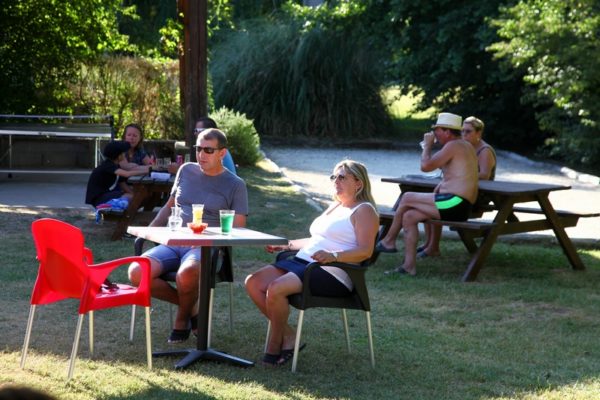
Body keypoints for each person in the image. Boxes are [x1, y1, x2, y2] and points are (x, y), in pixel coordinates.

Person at [245, 160, 379, 366]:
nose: (336, 181)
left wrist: (334, 256)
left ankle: (274, 344)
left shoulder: (364, 210)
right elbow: (316, 240)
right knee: (253, 282)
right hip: (305, 262)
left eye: (342, 177)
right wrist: (287, 245)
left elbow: (365, 251)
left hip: (332, 272)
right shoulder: (335, 205)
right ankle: (289, 336)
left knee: (276, 288)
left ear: (358, 183)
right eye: (334, 176)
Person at [128, 128, 248, 343]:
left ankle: (181, 321)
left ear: (222, 153)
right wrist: (151, 232)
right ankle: (194, 308)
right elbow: (168, 207)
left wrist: (208, 233)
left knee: (188, 272)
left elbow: (238, 227)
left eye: (208, 150)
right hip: (174, 241)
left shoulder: (235, 185)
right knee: (137, 271)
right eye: (198, 149)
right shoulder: (186, 170)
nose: (201, 154)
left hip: (206, 247)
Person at [376, 112, 478, 276]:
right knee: (409, 216)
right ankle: (409, 267)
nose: (434, 133)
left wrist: (427, 146)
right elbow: (460, 174)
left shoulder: (453, 146)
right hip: (458, 204)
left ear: (447, 131)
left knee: (407, 197)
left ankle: (389, 240)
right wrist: (442, 184)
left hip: (455, 203)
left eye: (437, 129)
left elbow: (426, 166)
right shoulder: (465, 146)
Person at [417, 116, 495, 257]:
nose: (464, 135)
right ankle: (430, 245)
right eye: (463, 131)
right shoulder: (462, 147)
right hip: (462, 192)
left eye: (468, 131)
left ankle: (432, 246)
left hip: (479, 196)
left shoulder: (484, 150)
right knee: (433, 201)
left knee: (433, 203)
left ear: (479, 133)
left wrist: (462, 175)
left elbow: (484, 174)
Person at [85, 141, 150, 207]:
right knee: (130, 197)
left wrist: (133, 194)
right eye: (123, 153)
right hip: (99, 197)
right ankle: (110, 206)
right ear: (118, 156)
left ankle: (122, 210)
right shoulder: (108, 165)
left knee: (136, 197)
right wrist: (148, 170)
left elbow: (122, 183)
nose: (125, 155)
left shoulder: (117, 166)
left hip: (106, 194)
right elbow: (127, 174)